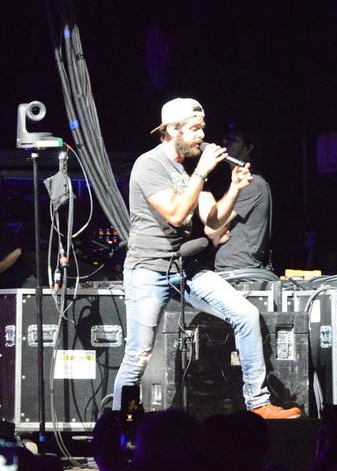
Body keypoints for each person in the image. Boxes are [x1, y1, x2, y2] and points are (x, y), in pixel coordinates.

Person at [111, 97, 301, 420]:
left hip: (185, 268)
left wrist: (235, 189)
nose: (202, 135)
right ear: (173, 131)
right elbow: (175, 215)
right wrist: (201, 172)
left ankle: (258, 404)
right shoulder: (149, 165)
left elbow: (213, 224)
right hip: (148, 270)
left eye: (202, 128)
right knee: (138, 354)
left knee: (246, 315)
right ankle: (120, 423)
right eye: (195, 129)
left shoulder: (187, 169)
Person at [211, 128, 277, 280]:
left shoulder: (252, 184)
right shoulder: (241, 183)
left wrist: (201, 177)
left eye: (234, 139)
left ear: (248, 148)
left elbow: (212, 228)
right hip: (233, 269)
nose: (225, 141)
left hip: (239, 272)